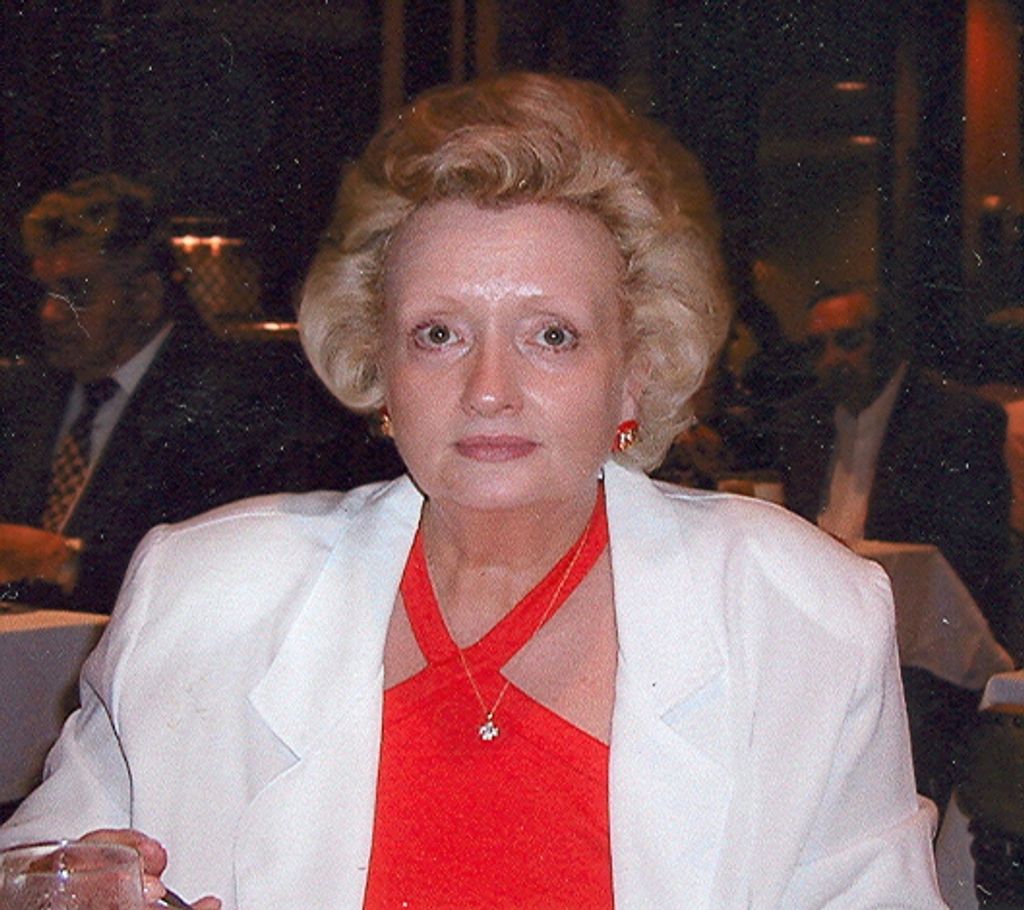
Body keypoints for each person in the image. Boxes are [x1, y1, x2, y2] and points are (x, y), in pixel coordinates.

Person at [0, 74, 943, 908]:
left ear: (636, 374)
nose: (489, 390)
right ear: (378, 365)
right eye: (439, 334)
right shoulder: (202, 594)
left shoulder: (801, 616)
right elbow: (35, 869)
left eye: (552, 336)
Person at [0, 174, 400, 612]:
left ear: (145, 296)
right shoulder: (26, 396)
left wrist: (63, 562)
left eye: (77, 292)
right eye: (47, 291)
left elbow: (222, 574)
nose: (51, 312)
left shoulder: (229, 406)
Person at [775, 286, 1012, 806]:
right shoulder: (802, 419)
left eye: (848, 341)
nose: (832, 360)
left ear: (886, 341)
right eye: (818, 348)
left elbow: (970, 555)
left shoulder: (955, 418)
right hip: (824, 631)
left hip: (923, 648)